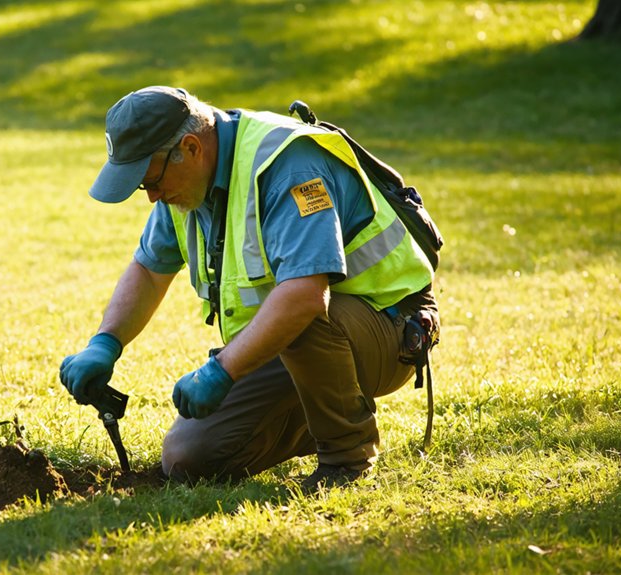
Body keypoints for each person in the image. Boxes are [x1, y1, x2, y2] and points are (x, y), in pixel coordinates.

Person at [59, 86, 439, 490]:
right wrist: (105, 343)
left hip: (390, 328)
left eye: (150, 179)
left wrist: (222, 370)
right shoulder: (184, 186)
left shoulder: (288, 166)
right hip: (298, 339)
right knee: (188, 457)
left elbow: (305, 295)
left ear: (190, 148)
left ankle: (347, 457)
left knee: (297, 310)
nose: (152, 195)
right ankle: (322, 411)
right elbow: (150, 270)